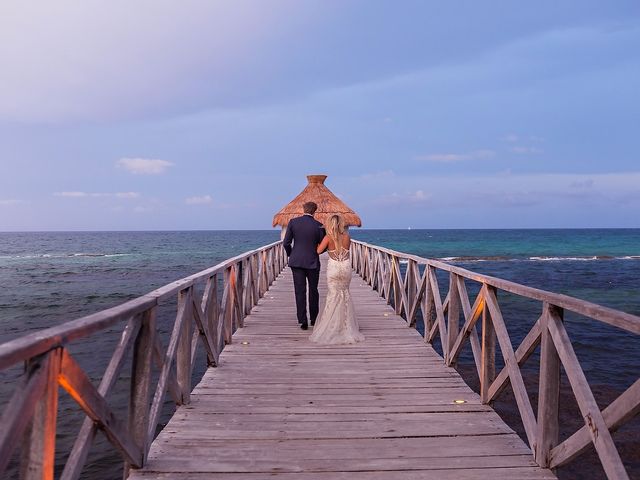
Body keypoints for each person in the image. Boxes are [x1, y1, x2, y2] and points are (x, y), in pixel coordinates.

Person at [310, 214, 364, 344]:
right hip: (345, 267)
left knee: (333, 295)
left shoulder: (328, 238)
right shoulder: (347, 237)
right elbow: (345, 250)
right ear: (341, 224)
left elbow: (318, 251)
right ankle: (346, 325)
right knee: (345, 294)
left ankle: (331, 325)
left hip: (334, 267)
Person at [283, 201, 326, 330]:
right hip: (312, 261)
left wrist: (291, 254)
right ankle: (314, 319)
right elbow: (324, 246)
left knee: (299, 291)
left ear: (303, 209)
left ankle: (302, 321)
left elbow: (286, 243)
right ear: (315, 211)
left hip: (296, 262)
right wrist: (317, 252)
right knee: (314, 290)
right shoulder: (319, 226)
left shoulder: (293, 223)